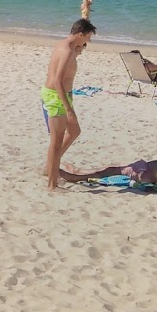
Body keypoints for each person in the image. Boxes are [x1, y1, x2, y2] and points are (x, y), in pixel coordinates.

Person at [42, 18, 96, 191]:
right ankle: (52, 184)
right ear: (80, 35)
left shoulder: (68, 45)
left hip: (62, 96)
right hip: (55, 97)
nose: (89, 41)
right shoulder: (66, 51)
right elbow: (58, 80)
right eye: (88, 37)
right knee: (56, 142)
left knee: (74, 131)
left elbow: (83, 22)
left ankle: (49, 167)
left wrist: (86, 9)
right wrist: (68, 108)